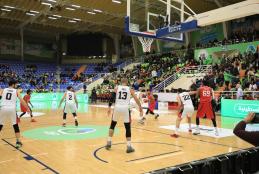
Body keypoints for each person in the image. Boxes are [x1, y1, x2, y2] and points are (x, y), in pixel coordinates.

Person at [105, 78, 143, 153]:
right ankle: (129, 147)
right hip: (126, 108)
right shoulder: (130, 89)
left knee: (112, 125)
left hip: (117, 108)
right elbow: (136, 99)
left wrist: (109, 107)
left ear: (121, 82)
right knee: (127, 127)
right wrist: (140, 107)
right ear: (127, 82)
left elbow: (111, 97)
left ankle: (109, 142)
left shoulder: (116, 88)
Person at [0, 80, 29, 148]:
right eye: (16, 85)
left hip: (3, 108)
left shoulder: (3, 90)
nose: (16, 86)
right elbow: (22, 101)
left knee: (0, 125)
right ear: (13, 85)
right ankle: (18, 142)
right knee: (15, 125)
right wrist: (27, 108)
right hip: (12, 109)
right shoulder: (16, 91)